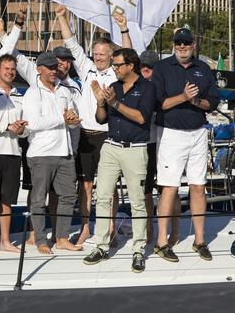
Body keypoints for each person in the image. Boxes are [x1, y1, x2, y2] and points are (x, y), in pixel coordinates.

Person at [56, 4, 132, 245]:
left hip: (109, 135)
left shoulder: (117, 72)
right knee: (85, 184)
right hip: (85, 135)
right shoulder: (86, 67)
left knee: (109, 186)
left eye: (102, 54)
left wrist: (123, 28)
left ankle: (109, 227)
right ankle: (86, 227)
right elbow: (71, 43)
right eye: (95, 53)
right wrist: (61, 17)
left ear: (111, 56)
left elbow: (130, 56)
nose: (97, 57)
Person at [83, 49, 156, 273]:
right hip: (111, 146)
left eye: (117, 65)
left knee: (137, 201)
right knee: (103, 196)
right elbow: (101, 119)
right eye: (113, 65)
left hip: (135, 150)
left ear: (130, 66)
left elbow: (142, 118)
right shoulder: (113, 87)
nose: (113, 69)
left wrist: (114, 104)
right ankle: (101, 246)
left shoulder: (148, 88)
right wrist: (100, 103)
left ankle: (138, 250)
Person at [152, 28, 220, 262]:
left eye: (186, 42)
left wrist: (196, 101)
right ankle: (162, 242)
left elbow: (212, 102)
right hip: (171, 134)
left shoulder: (203, 69)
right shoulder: (162, 68)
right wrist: (183, 97)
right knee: (169, 188)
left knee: (198, 186)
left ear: (194, 44)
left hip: (198, 133)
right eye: (178, 42)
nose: (182, 46)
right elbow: (158, 104)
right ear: (174, 44)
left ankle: (199, 240)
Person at [22, 51, 82, 254]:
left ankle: (62, 238)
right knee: (39, 199)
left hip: (65, 152)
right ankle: (40, 240)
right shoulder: (32, 93)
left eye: (55, 67)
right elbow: (33, 123)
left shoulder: (64, 90)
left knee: (68, 196)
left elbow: (71, 123)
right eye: (49, 68)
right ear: (39, 70)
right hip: (41, 154)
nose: (53, 71)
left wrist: (73, 122)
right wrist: (62, 119)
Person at [0, 54, 28, 256]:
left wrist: (20, 131)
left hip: (12, 153)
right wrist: (7, 127)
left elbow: (26, 128)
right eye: (6, 68)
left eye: (12, 69)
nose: (10, 72)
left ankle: (5, 241)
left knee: (7, 201)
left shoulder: (20, 96)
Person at [140, 50, 181, 244]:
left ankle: (175, 231)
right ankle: (149, 231)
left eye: (151, 65)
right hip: (146, 143)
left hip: (167, 141)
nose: (146, 68)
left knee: (170, 188)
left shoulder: (166, 86)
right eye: (142, 65)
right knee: (146, 191)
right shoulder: (137, 86)